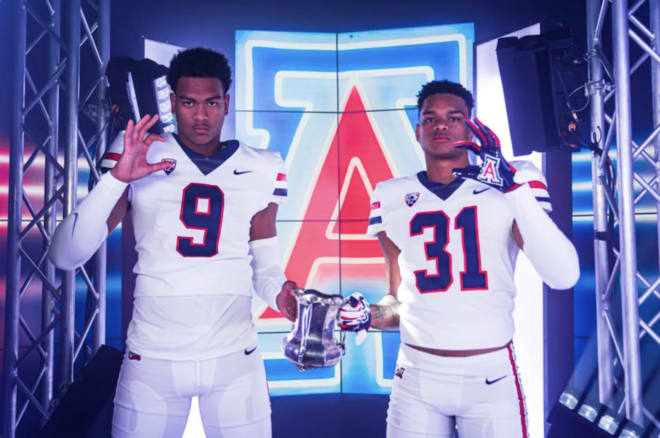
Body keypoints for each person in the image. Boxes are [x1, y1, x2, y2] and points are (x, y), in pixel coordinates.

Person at [48, 47, 298, 438]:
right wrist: (117, 179)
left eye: (211, 103)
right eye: (189, 102)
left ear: (227, 103)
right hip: (151, 359)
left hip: (235, 359)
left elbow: (265, 269)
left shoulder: (263, 166)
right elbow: (65, 255)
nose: (201, 115)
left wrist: (282, 297)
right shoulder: (140, 153)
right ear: (173, 102)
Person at [339, 80, 579, 437]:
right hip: (416, 372)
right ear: (418, 130)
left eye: (454, 117)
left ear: (471, 124)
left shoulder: (515, 178)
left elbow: (563, 275)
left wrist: (513, 190)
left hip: (490, 372)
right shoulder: (391, 195)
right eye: (430, 118)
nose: (441, 125)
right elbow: (396, 302)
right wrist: (368, 316)